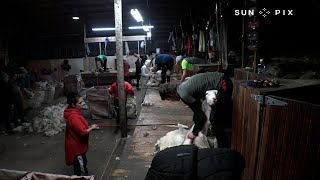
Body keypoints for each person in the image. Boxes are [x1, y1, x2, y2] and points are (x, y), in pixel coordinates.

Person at [176, 71, 233, 148]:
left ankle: (223, 148)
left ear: (170, 95)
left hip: (223, 83)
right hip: (220, 80)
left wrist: (194, 132)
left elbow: (200, 115)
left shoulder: (184, 95)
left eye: (168, 99)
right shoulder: (182, 88)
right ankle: (221, 142)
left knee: (215, 121)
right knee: (215, 117)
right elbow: (198, 110)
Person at [64, 93, 99, 176]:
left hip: (77, 144)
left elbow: (80, 128)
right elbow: (82, 132)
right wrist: (91, 128)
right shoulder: (74, 117)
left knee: (82, 163)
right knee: (81, 168)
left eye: (82, 102)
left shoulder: (75, 112)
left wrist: (90, 127)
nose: (83, 104)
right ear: (73, 105)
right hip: (75, 148)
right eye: (80, 103)